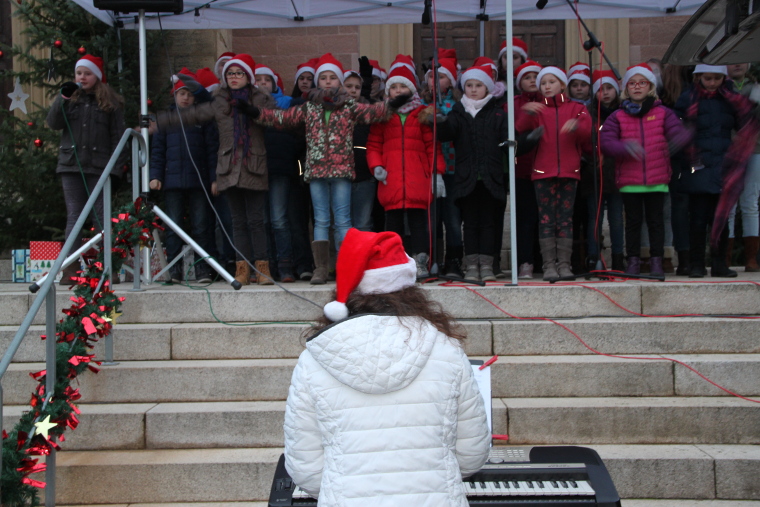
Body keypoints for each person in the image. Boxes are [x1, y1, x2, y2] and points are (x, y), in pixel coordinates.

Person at [284, 227, 491, 507]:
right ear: (409, 288)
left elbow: (306, 469)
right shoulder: (446, 350)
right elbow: (472, 453)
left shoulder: (313, 359)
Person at [244, 53, 405, 284]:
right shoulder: (309, 108)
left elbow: (373, 112)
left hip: (341, 172)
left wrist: (391, 104)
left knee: (342, 221)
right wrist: (257, 113)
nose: (328, 81)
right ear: (318, 82)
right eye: (324, 78)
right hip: (317, 171)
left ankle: (344, 265)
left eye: (332, 78)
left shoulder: (349, 107)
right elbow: (282, 118)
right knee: (321, 220)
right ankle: (321, 268)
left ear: (339, 82)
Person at [154, 53, 277, 286]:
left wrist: (252, 111)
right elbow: (193, 114)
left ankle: (263, 268)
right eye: (230, 73)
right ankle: (242, 268)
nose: (234, 77)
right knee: (237, 221)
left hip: (254, 166)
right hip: (228, 167)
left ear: (247, 77)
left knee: (257, 221)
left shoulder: (261, 99)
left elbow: (274, 119)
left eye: (239, 73)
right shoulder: (220, 101)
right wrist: (157, 123)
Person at [600, 63, 690, 277]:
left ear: (650, 86)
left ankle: (656, 262)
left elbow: (678, 133)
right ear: (626, 88)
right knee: (632, 223)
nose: (637, 87)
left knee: (656, 222)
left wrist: (682, 137)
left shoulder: (663, 113)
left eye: (642, 83)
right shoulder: (617, 116)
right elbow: (606, 141)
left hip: (656, 178)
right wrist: (624, 147)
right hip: (630, 181)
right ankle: (633, 262)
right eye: (632, 83)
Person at [47, 54, 125, 286]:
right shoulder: (70, 99)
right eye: (79, 73)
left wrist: (115, 169)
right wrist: (61, 98)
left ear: (97, 77)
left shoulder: (110, 103)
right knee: (75, 217)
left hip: (100, 168)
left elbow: (118, 138)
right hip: (71, 166)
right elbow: (53, 123)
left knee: (101, 217)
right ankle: (70, 267)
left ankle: (107, 266)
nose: (82, 77)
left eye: (87, 73)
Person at [675, 64, 759, 277]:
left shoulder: (732, 99)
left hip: (723, 163)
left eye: (716, 78)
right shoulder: (688, 99)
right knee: (698, 218)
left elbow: (746, 122)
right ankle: (696, 264)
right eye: (707, 78)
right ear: (699, 77)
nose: (712, 83)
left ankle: (719, 262)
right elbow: (677, 128)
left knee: (721, 218)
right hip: (697, 162)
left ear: (723, 78)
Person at [367, 59, 445, 279]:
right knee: (392, 225)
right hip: (390, 179)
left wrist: (436, 173)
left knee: (419, 223)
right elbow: (373, 145)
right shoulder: (382, 116)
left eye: (402, 86)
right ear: (388, 91)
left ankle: (420, 261)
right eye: (393, 87)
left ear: (411, 89)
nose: (398, 91)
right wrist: (376, 166)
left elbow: (432, 147)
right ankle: (394, 261)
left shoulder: (422, 114)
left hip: (417, 179)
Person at [436, 64, 513, 281]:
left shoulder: (498, 113)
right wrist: (442, 124)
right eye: (469, 85)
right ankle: (471, 264)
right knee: (469, 223)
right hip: (466, 177)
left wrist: (522, 142)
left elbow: (508, 139)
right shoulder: (458, 112)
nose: (473, 89)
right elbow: (449, 133)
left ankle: (487, 264)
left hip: (490, 177)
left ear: (487, 88)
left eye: (478, 85)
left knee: (488, 222)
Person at [516, 66, 592, 280]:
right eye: (543, 83)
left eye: (551, 82)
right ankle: (549, 264)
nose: (547, 86)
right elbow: (521, 129)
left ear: (562, 84)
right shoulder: (539, 109)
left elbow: (588, 132)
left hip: (569, 171)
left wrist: (576, 125)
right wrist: (527, 112)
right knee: (547, 219)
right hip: (542, 172)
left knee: (566, 219)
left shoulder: (576, 108)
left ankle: (565, 264)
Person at [149, 68, 219, 284]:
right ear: (175, 95)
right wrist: (155, 175)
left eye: (189, 94)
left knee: (201, 226)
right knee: (173, 226)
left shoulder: (203, 120)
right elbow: (158, 151)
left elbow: (211, 150)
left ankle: (202, 269)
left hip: (199, 181)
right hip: (171, 181)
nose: (186, 97)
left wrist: (214, 178)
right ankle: (174, 269)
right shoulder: (166, 120)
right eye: (182, 93)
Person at [255, 63, 305, 282]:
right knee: (263, 221)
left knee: (279, 220)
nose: (263, 83)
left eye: (267, 79)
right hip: (256, 170)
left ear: (274, 83)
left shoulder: (287, 105)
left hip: (280, 169)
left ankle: (285, 265)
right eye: (259, 80)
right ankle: (267, 266)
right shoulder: (249, 106)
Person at [421, 57, 463, 276]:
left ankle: (454, 260)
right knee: (432, 218)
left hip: (453, 169)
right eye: (431, 77)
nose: (435, 81)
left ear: (452, 81)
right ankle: (433, 260)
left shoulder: (458, 105)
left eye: (442, 76)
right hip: (429, 169)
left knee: (453, 218)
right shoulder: (422, 104)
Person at [584, 69, 625, 272]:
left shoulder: (624, 112)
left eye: (609, 88)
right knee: (595, 219)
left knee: (617, 219)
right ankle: (594, 257)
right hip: (595, 174)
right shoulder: (589, 114)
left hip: (618, 174)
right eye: (601, 89)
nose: (606, 93)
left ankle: (618, 257)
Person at [726, 63, 760, 272]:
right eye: (731, 60)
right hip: (728, 150)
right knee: (728, 205)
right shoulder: (720, 88)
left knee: (750, 203)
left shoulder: (755, 87)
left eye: (741, 60)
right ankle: (725, 257)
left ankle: (751, 258)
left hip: (754, 149)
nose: (737, 64)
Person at [512, 60, 543, 279]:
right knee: (525, 219)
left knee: (546, 219)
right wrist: (526, 114)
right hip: (522, 169)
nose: (532, 81)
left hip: (547, 169)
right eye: (527, 77)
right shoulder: (513, 103)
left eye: (535, 77)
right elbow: (512, 134)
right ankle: (525, 261)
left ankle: (543, 260)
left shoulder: (551, 101)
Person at [344, 61, 378, 233]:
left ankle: (364, 259)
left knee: (363, 223)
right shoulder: (336, 111)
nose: (353, 91)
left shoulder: (368, 110)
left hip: (365, 176)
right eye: (348, 86)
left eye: (357, 87)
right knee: (343, 224)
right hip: (341, 177)